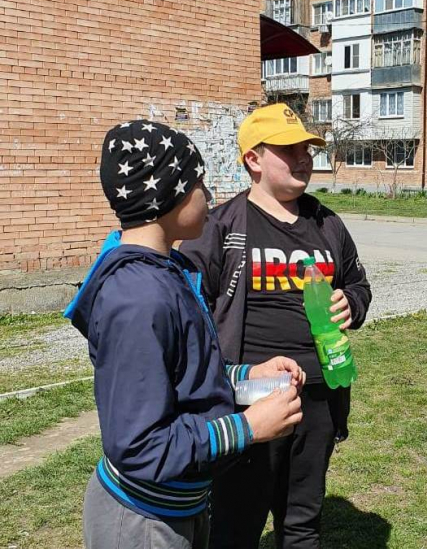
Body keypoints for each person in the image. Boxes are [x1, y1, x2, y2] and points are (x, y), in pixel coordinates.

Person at [66, 120, 305, 549]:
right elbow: (141, 446)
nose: (209, 198)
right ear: (167, 195)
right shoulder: (138, 299)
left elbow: (183, 372)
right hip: (142, 521)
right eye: (199, 184)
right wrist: (248, 427)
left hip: (179, 506)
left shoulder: (169, 271)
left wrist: (247, 376)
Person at [180, 103, 372, 549]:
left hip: (320, 396)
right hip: (250, 400)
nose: (305, 157)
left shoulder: (326, 223)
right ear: (254, 159)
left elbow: (358, 283)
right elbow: (191, 309)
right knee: (235, 524)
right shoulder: (222, 226)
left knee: (303, 522)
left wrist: (352, 302)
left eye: (307, 148)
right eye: (290, 149)